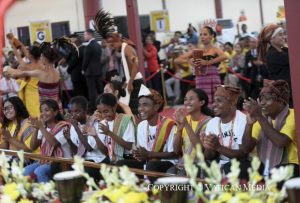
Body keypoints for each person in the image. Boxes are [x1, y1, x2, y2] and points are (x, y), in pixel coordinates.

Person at [117, 85, 177, 182]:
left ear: (156, 107)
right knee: (120, 164)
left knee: (151, 165)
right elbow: (144, 153)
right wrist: (138, 154)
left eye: (145, 105)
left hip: (166, 163)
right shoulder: (142, 126)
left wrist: (149, 154)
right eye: (139, 105)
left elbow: (174, 154)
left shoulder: (169, 125)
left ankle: (155, 193)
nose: (140, 108)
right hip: (148, 162)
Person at [242, 80, 299, 177]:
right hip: (266, 165)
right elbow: (246, 148)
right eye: (261, 98)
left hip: (291, 165)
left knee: (276, 171)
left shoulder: (293, 115)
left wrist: (259, 117)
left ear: (280, 101)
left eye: (267, 99)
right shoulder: (261, 118)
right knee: (240, 168)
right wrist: (249, 124)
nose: (262, 103)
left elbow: (280, 142)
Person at [94, 10, 144, 115]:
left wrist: (130, 82)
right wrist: (126, 82)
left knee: (135, 109)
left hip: (135, 81)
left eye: (112, 45)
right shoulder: (122, 49)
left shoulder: (127, 48)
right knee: (129, 107)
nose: (112, 47)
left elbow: (136, 64)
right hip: (130, 80)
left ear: (117, 41)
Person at [201, 85, 249, 178]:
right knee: (201, 167)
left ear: (232, 102)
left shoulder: (243, 121)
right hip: (220, 162)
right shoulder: (212, 122)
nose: (214, 104)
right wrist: (209, 148)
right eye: (214, 101)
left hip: (241, 164)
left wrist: (218, 147)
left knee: (230, 168)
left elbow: (242, 154)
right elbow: (209, 156)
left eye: (219, 101)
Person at [24, 99, 74, 182]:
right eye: (41, 111)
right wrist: (36, 129)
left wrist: (41, 128)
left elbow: (54, 143)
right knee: (25, 171)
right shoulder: (43, 127)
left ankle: (48, 193)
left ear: (55, 112)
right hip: (46, 160)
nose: (43, 113)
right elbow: (33, 147)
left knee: (40, 171)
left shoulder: (63, 126)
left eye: (46, 110)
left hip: (62, 162)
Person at [175, 26, 227, 106]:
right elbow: (177, 60)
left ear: (212, 36)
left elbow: (224, 56)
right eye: (201, 34)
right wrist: (189, 61)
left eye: (205, 34)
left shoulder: (215, 49)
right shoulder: (197, 50)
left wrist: (208, 62)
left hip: (213, 78)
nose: (202, 36)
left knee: (215, 100)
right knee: (202, 100)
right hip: (201, 79)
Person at [7, 42, 63, 112]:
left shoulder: (39, 73)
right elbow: (60, 91)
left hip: (46, 109)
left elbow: (20, 74)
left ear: (45, 58)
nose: (41, 57)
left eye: (42, 56)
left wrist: (9, 70)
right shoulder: (57, 72)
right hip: (57, 107)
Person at [170, 89, 213, 175]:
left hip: (199, 164)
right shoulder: (184, 120)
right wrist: (179, 130)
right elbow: (176, 150)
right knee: (168, 175)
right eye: (186, 99)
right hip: (182, 164)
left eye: (191, 99)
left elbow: (200, 149)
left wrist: (186, 124)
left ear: (201, 102)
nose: (187, 102)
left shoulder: (209, 121)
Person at [69, 96, 109, 181]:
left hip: (97, 160)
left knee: (85, 172)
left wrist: (76, 128)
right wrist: (68, 139)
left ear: (86, 110)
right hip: (83, 160)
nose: (74, 115)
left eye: (77, 111)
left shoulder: (96, 123)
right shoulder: (74, 125)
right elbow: (76, 150)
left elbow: (89, 148)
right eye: (72, 112)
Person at [257, 24, 292, 106]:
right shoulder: (272, 54)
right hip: (285, 94)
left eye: (284, 34)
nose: (284, 37)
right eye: (280, 35)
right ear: (271, 38)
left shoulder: (284, 50)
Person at [95, 93, 135, 162]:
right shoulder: (103, 123)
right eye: (100, 112)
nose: (103, 115)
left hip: (127, 158)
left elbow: (129, 146)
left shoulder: (125, 120)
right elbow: (106, 152)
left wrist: (109, 133)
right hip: (112, 157)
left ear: (115, 107)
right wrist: (95, 136)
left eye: (106, 111)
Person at [10, 41, 42, 117]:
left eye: (28, 53)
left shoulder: (30, 67)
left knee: (34, 116)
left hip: (31, 95)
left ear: (31, 55)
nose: (26, 54)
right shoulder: (41, 65)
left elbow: (18, 58)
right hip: (35, 93)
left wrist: (13, 46)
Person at [82, 29, 103, 113]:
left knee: (91, 91)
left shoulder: (89, 46)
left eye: (85, 35)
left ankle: (93, 108)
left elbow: (86, 60)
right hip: (98, 70)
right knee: (100, 89)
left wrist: (83, 69)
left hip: (90, 72)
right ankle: (103, 104)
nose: (84, 36)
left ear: (90, 35)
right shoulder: (98, 45)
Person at [68, 34, 88, 98]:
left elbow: (72, 63)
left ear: (76, 43)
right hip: (85, 75)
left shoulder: (77, 51)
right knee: (86, 92)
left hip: (77, 76)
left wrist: (68, 70)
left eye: (73, 43)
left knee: (78, 94)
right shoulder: (86, 49)